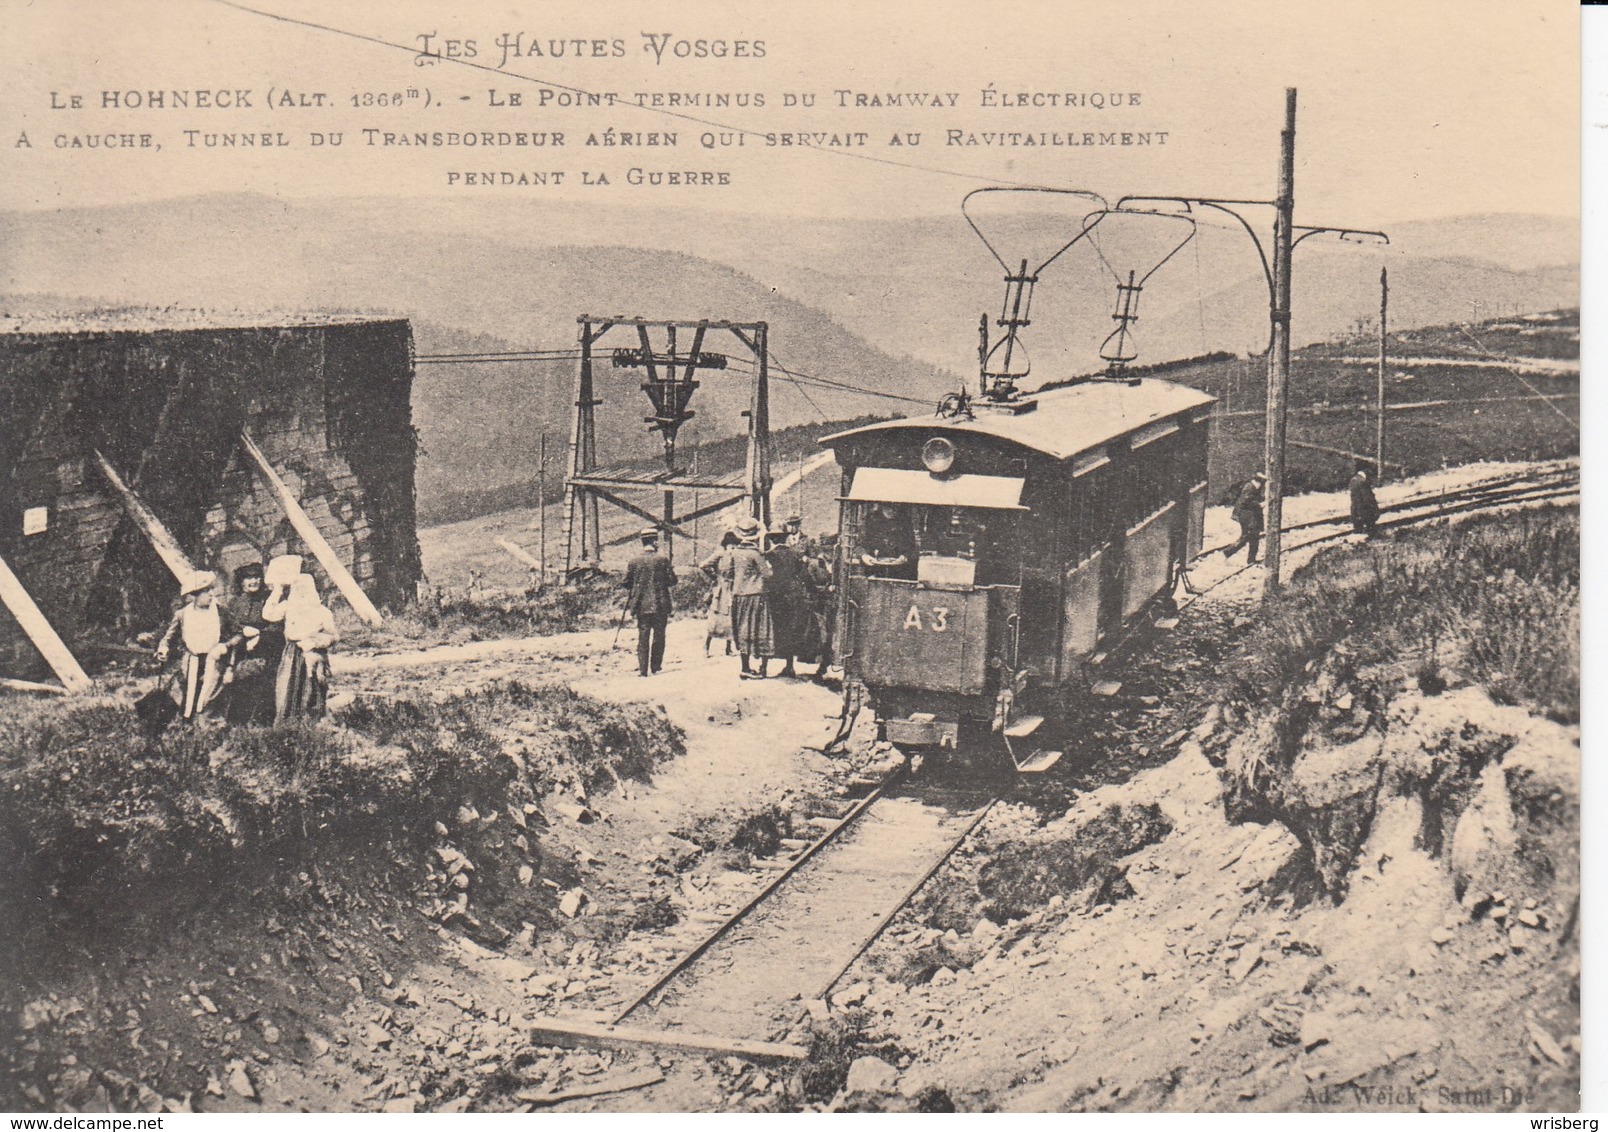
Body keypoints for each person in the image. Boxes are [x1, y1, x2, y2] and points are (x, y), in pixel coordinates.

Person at [155, 570, 243, 722]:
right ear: (194, 595)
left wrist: (226, 646)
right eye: (205, 591)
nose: (211, 594)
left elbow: (239, 634)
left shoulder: (221, 612)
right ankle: (185, 722)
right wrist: (163, 648)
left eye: (211, 590)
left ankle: (207, 723)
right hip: (191, 661)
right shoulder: (182, 614)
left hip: (214, 659)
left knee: (210, 693)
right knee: (185, 692)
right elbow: (168, 638)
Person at [264, 572, 339, 721]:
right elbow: (268, 614)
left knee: (313, 688)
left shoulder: (322, 612)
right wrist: (277, 591)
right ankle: (287, 724)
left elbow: (334, 636)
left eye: (306, 589)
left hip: (314, 652)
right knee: (287, 687)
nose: (302, 593)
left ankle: (312, 723)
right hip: (292, 653)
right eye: (297, 589)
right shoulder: (288, 607)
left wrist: (318, 642)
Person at [223, 561, 282, 726]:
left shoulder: (269, 599)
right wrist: (243, 634)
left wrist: (259, 636)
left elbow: (277, 626)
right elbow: (230, 627)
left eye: (257, 577)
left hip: (266, 649)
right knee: (239, 681)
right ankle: (237, 724)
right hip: (241, 650)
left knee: (264, 683)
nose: (254, 581)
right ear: (241, 582)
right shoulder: (234, 603)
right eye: (249, 578)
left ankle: (263, 723)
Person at [622, 527, 675, 677]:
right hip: (660, 604)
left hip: (641, 605)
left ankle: (643, 670)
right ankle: (656, 667)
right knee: (659, 635)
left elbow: (626, 582)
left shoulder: (634, 561)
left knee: (643, 636)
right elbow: (672, 581)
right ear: (654, 541)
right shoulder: (663, 560)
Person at [765, 521, 813, 679]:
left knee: (771, 628)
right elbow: (805, 575)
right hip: (793, 596)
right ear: (785, 538)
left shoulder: (768, 555)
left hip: (774, 595)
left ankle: (763, 666)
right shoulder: (795, 554)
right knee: (790, 630)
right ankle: (789, 666)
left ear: (772, 539)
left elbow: (765, 576)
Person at [728, 517, 774, 678]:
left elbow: (729, 573)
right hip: (756, 595)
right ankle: (763, 668)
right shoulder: (756, 554)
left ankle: (745, 668)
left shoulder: (734, 553)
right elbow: (767, 575)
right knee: (762, 629)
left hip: (738, 596)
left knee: (742, 630)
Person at [699, 530, 739, 657]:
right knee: (715, 619)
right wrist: (714, 577)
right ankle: (706, 646)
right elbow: (703, 565)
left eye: (735, 546)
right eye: (731, 546)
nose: (733, 549)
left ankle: (728, 648)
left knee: (730, 618)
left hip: (732, 589)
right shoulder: (720, 554)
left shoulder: (736, 556)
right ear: (726, 545)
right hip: (720, 590)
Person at [859, 501, 914, 577]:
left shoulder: (905, 521)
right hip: (873, 569)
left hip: (899, 571)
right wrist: (864, 556)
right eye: (888, 506)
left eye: (895, 507)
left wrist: (905, 556)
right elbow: (859, 546)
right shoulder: (870, 519)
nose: (891, 511)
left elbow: (911, 547)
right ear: (881, 505)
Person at [1223, 473, 1266, 565]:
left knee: (1254, 537)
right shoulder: (1250, 488)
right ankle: (1228, 552)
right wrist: (1259, 505)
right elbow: (1246, 502)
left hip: (1249, 516)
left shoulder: (1252, 487)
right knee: (1248, 536)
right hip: (1247, 516)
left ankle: (1251, 559)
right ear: (1259, 482)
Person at [1349, 466, 1380, 535]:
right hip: (1365, 509)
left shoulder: (1353, 480)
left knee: (1358, 529)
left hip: (1355, 508)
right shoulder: (1363, 482)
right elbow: (1368, 498)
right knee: (1370, 527)